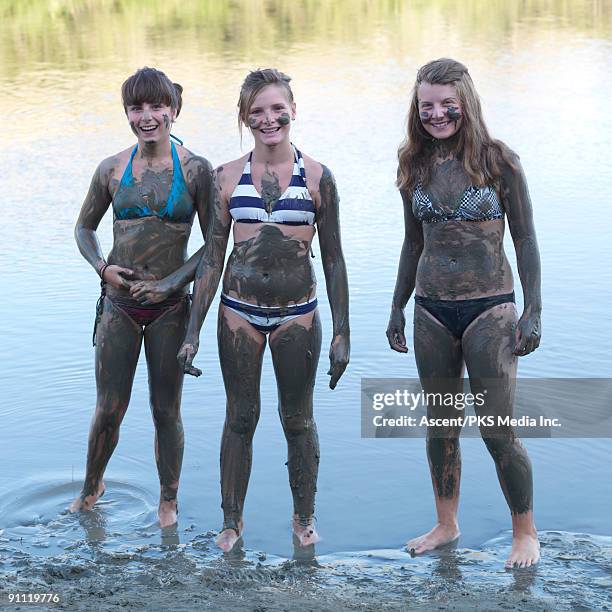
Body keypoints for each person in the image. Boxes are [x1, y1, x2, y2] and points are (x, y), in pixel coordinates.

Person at [133, 68, 350, 551]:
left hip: (299, 312)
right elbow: (212, 255)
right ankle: (232, 522)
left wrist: (342, 332)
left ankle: (304, 519)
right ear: (244, 118)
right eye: (257, 112)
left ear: (293, 110)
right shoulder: (225, 177)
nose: (268, 119)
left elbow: (333, 257)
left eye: (277, 109)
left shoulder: (318, 177)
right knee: (240, 418)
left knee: (298, 419)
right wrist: (191, 332)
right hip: (238, 311)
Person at [386, 58, 542, 568]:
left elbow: (524, 239)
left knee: (497, 426)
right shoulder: (414, 164)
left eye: (446, 104)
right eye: (426, 105)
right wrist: (396, 306)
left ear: (466, 103)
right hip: (431, 308)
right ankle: (447, 524)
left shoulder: (499, 162)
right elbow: (413, 243)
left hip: (490, 307)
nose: (436, 114)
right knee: (441, 424)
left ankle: (525, 532)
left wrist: (533, 310)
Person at [69, 67, 215, 528]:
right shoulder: (111, 169)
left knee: (165, 409)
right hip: (119, 306)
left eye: (157, 106)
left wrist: (174, 283)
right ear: (127, 113)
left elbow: (215, 243)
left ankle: (168, 500)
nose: (147, 117)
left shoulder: (196, 170)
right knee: (108, 408)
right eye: (137, 108)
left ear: (174, 108)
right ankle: (91, 488)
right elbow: (84, 228)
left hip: (171, 308)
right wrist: (103, 267)